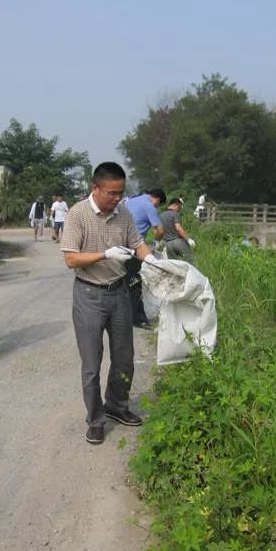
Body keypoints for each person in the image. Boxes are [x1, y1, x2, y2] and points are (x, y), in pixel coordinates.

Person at [60, 162, 156, 445]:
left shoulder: (123, 213)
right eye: (111, 193)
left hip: (119, 293)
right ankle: (95, 419)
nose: (117, 198)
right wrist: (105, 254)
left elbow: (137, 243)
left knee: (124, 357)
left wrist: (152, 260)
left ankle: (117, 405)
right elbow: (71, 259)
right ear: (95, 188)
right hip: (89, 295)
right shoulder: (77, 214)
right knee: (92, 363)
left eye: (120, 193)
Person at [122, 188, 166, 329]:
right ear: (157, 199)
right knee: (135, 283)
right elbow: (160, 230)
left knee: (121, 279)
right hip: (134, 246)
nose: (157, 207)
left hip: (118, 244)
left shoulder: (130, 200)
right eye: (158, 204)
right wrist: (157, 242)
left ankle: (121, 313)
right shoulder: (149, 205)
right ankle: (138, 319)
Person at [161, 198, 196, 262]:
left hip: (168, 244)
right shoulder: (175, 214)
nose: (179, 210)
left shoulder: (161, 215)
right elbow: (178, 228)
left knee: (174, 264)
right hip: (178, 242)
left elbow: (160, 230)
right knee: (189, 261)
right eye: (179, 207)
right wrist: (188, 239)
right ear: (175, 205)